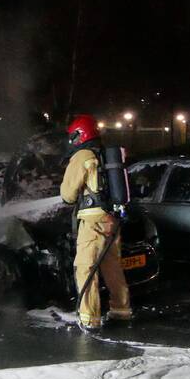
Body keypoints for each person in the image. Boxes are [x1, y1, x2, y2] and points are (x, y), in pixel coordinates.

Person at [60, 114, 131, 330]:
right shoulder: (104, 155)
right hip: (112, 218)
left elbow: (67, 195)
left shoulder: (82, 156)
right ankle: (121, 310)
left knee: (85, 267)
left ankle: (89, 318)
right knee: (112, 266)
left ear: (80, 134)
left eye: (73, 136)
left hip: (92, 222)